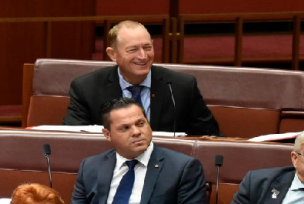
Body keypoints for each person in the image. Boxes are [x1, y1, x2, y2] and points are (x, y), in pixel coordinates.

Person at [63, 20, 221, 136]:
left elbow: (211, 138)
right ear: (113, 54)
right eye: (133, 50)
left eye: (147, 47)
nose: (143, 56)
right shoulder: (86, 88)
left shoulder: (181, 86)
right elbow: (73, 139)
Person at [69, 97, 207, 204]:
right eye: (125, 128)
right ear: (107, 134)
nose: (136, 132)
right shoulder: (90, 166)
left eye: (140, 123)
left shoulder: (183, 168)